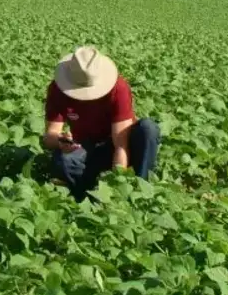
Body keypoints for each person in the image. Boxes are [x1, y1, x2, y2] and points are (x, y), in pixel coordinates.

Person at [41, 46, 160, 200]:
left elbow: (121, 146)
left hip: (114, 144)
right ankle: (81, 198)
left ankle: (141, 192)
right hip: (83, 145)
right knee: (65, 161)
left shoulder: (118, 88)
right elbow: (50, 136)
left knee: (148, 129)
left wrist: (117, 187)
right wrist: (61, 141)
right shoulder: (57, 89)